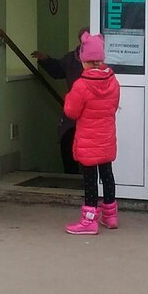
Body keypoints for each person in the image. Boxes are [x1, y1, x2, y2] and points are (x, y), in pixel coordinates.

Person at [62, 33, 120, 235]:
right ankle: (110, 216)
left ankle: (89, 220)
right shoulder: (113, 81)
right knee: (107, 174)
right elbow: (113, 107)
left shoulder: (81, 85)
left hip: (88, 140)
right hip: (106, 137)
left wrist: (69, 98)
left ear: (85, 61)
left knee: (90, 179)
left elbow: (71, 112)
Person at [32, 29, 88, 173]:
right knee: (68, 144)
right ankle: (72, 177)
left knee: (91, 153)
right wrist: (46, 60)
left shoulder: (101, 61)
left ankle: (89, 180)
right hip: (73, 115)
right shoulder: (72, 58)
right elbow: (58, 71)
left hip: (90, 115)